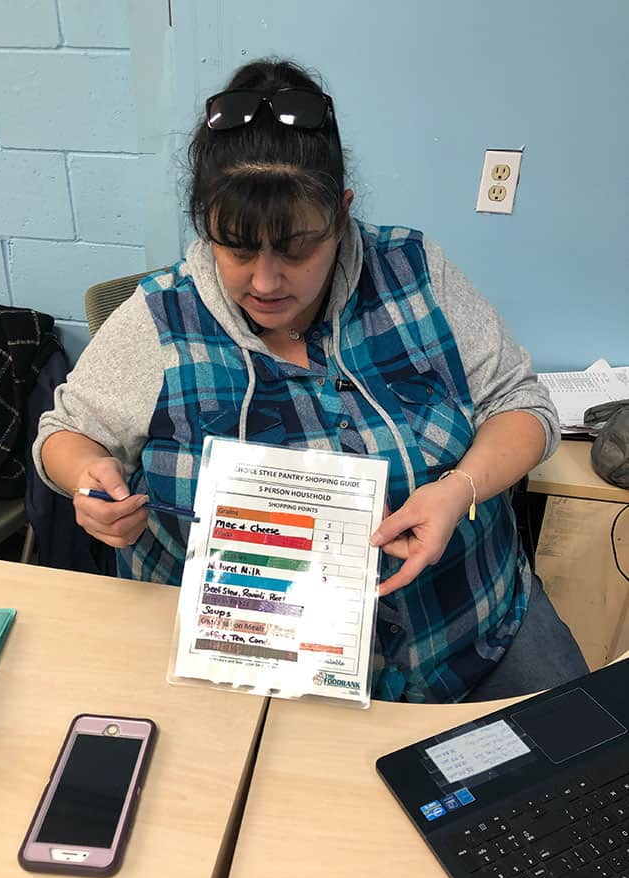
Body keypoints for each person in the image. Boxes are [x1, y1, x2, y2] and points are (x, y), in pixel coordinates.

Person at [35, 58, 588, 703]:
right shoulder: (160, 319)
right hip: (261, 674)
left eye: (297, 249)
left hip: (474, 631)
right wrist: (88, 482)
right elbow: (65, 434)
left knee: (578, 776)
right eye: (237, 249)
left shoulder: (415, 272)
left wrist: (459, 488)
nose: (266, 283)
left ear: (342, 214)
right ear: (204, 224)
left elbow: (520, 405)